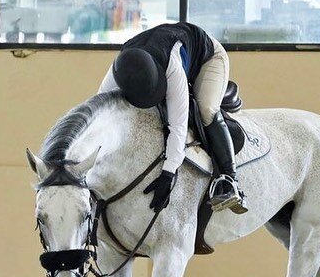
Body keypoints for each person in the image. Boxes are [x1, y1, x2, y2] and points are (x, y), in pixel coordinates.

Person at [98, 22, 247, 214]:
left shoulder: (172, 67)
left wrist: (169, 173)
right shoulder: (118, 70)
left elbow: (179, 126)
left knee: (207, 110)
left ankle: (229, 180)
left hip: (208, 56)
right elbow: (100, 114)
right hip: (164, 48)